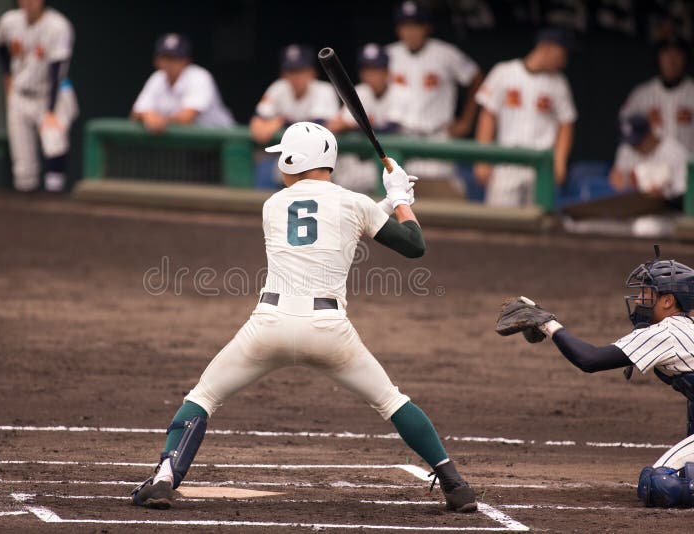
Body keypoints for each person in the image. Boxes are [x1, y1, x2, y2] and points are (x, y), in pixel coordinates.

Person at [130, 122, 478, 514]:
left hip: (269, 325)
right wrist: (398, 200)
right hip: (328, 331)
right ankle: (455, 485)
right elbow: (412, 244)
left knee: (203, 397)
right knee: (391, 401)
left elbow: (334, 226)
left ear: (296, 160)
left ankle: (165, 478)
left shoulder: (273, 205)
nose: (280, 162)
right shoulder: (354, 203)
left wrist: (385, 203)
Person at [495, 247, 694, 508]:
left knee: (659, 484)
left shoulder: (667, 332)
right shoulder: (682, 328)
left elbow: (590, 360)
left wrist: (548, 324)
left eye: (647, 293)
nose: (638, 300)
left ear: (667, 301)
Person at [474, 28, 577, 207]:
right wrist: (482, 158)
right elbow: (488, 116)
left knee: (538, 220)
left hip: (540, 165)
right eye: (562, 54)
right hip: (507, 161)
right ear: (546, 47)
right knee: (501, 219)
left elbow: (566, 123)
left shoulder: (559, 83)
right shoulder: (504, 71)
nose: (564, 61)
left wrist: (560, 162)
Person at [386, 0, 482, 188]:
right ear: (398, 29)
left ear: (427, 27)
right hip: (401, 137)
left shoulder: (446, 53)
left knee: (441, 195)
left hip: (437, 136)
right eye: (405, 25)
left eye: (416, 25)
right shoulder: (388, 54)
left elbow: (476, 78)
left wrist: (466, 121)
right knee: (398, 195)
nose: (411, 31)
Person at [0, 0, 78, 193]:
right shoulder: (9, 21)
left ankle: (54, 201)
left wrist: (50, 111)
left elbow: (57, 71)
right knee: (23, 166)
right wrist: (8, 79)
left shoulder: (58, 25)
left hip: (51, 93)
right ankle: (27, 209)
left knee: (55, 145)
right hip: (20, 94)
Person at [327, 43, 409, 193]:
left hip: (399, 159)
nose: (371, 75)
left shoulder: (401, 93)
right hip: (363, 161)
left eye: (376, 69)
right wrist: (354, 126)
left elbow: (391, 129)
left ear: (386, 72)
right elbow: (338, 125)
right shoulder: (359, 91)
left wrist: (354, 126)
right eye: (367, 69)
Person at [131, 33, 235, 132]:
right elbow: (135, 113)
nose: (169, 63)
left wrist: (158, 120)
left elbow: (187, 117)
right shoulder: (157, 78)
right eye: (165, 58)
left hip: (222, 138)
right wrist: (148, 115)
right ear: (156, 61)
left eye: (175, 58)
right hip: (192, 141)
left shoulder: (199, 77)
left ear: (186, 60)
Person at [249, 45, 340, 144]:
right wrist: (262, 126)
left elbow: (315, 129)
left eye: (300, 71)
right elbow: (257, 121)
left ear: (312, 72)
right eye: (290, 71)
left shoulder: (324, 90)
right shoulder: (278, 88)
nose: (295, 76)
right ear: (283, 74)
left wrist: (281, 122)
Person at [620, 36, 694, 154]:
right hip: (652, 162)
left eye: (677, 54)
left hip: (688, 161)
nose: (672, 60)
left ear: (685, 58)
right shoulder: (642, 94)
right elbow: (625, 125)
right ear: (658, 58)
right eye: (666, 54)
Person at [610, 114, 688, 209]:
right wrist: (621, 181)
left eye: (638, 142)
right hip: (634, 207)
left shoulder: (675, 153)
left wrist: (662, 194)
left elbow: (683, 194)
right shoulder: (627, 148)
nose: (635, 147)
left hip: (669, 209)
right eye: (631, 143)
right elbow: (616, 177)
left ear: (650, 134)